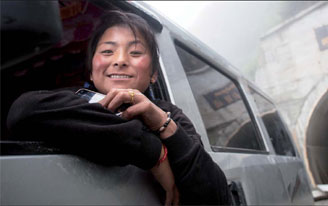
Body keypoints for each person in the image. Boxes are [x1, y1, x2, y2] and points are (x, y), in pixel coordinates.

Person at [7, 10, 230, 205]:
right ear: (92, 71)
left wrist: (164, 125)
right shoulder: (71, 102)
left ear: (153, 74)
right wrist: (153, 152)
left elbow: (217, 197)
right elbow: (22, 112)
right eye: (107, 51)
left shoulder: (170, 115)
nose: (120, 60)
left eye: (135, 53)